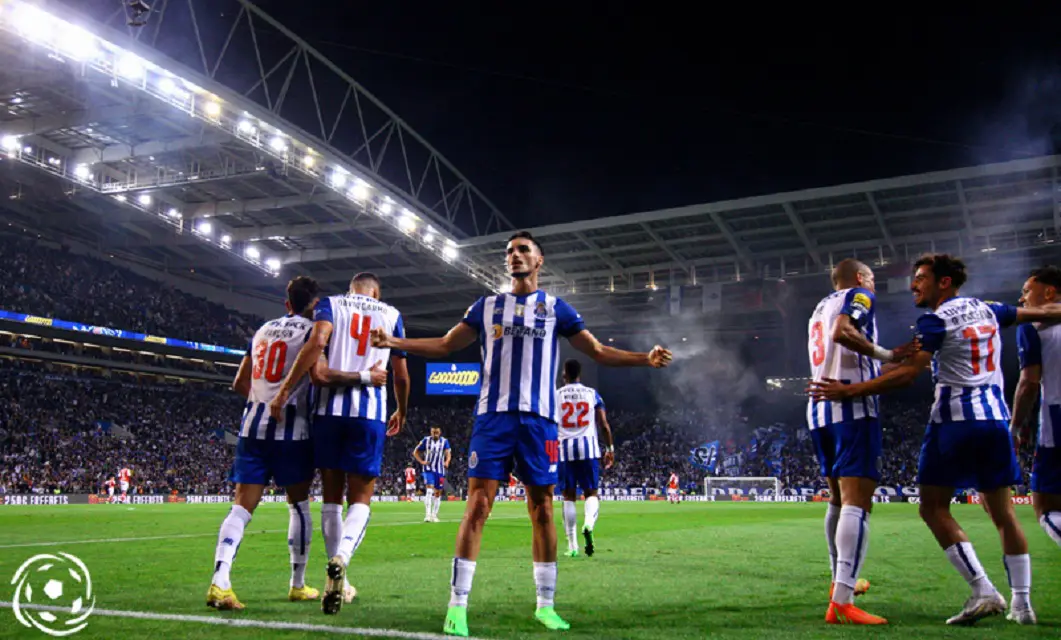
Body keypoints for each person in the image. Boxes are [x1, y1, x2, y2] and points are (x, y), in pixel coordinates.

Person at [370, 230, 672, 637]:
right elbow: (444, 345)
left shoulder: (556, 308)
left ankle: (545, 606)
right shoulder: (487, 306)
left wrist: (644, 359)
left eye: (523, 250)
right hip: (492, 419)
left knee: (543, 509)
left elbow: (597, 351)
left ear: (539, 260)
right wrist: (393, 341)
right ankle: (457, 606)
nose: (514, 256)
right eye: (510, 251)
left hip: (541, 422)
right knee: (477, 507)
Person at [810, 254, 1061, 625]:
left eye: (921, 278)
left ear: (944, 282)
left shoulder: (933, 320)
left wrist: (856, 388)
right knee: (1004, 514)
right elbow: (1039, 314)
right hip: (994, 421)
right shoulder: (990, 309)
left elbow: (910, 371)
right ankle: (1021, 605)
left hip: (951, 424)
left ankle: (983, 590)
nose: (914, 285)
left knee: (931, 507)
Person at [270, 272, 410, 616]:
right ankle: (341, 560)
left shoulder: (331, 305)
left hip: (328, 413)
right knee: (361, 498)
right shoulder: (390, 314)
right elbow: (402, 374)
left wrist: (286, 388)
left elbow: (317, 343)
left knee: (331, 498)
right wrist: (401, 410)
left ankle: (341, 581)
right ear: (376, 291)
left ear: (352, 288)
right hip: (369, 415)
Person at [806, 258, 918, 625]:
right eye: (871, 277)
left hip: (820, 411)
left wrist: (897, 363)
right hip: (851, 408)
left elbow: (843, 353)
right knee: (858, 503)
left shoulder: (819, 307)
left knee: (838, 500)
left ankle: (841, 582)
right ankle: (842, 602)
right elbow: (843, 333)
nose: (874, 284)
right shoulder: (860, 296)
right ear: (858, 278)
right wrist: (888, 353)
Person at [207, 276, 324, 611]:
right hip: (293, 430)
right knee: (299, 506)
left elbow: (239, 382)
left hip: (252, 428)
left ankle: (220, 579)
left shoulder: (262, 330)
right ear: (315, 305)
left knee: (241, 507)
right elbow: (319, 376)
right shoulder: (314, 333)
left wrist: (263, 400)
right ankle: (298, 585)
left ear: (287, 304)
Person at [1011, 266, 1061, 564]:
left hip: (1057, 416)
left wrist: (1016, 427)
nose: (1022, 298)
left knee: (1045, 505)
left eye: (1027, 291)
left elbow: (1029, 382)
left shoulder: (1031, 326)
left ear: (1049, 292)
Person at [556, 358, 612, 557]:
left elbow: (548, 424)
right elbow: (604, 425)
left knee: (568, 496)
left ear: (565, 375)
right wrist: (610, 448)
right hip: (588, 449)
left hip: (564, 451)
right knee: (591, 493)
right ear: (580, 374)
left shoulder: (556, 395)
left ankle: (572, 547)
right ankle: (588, 524)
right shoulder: (592, 394)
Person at [415, 427, 452, 523]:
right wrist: (422, 461)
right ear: (431, 432)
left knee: (438, 493)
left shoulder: (444, 441)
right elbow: (415, 452)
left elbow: (448, 453)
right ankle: (427, 515)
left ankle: (434, 515)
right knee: (429, 490)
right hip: (428, 470)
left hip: (440, 471)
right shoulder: (426, 440)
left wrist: (447, 461)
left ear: (440, 432)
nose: (435, 434)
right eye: (433, 432)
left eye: (437, 432)